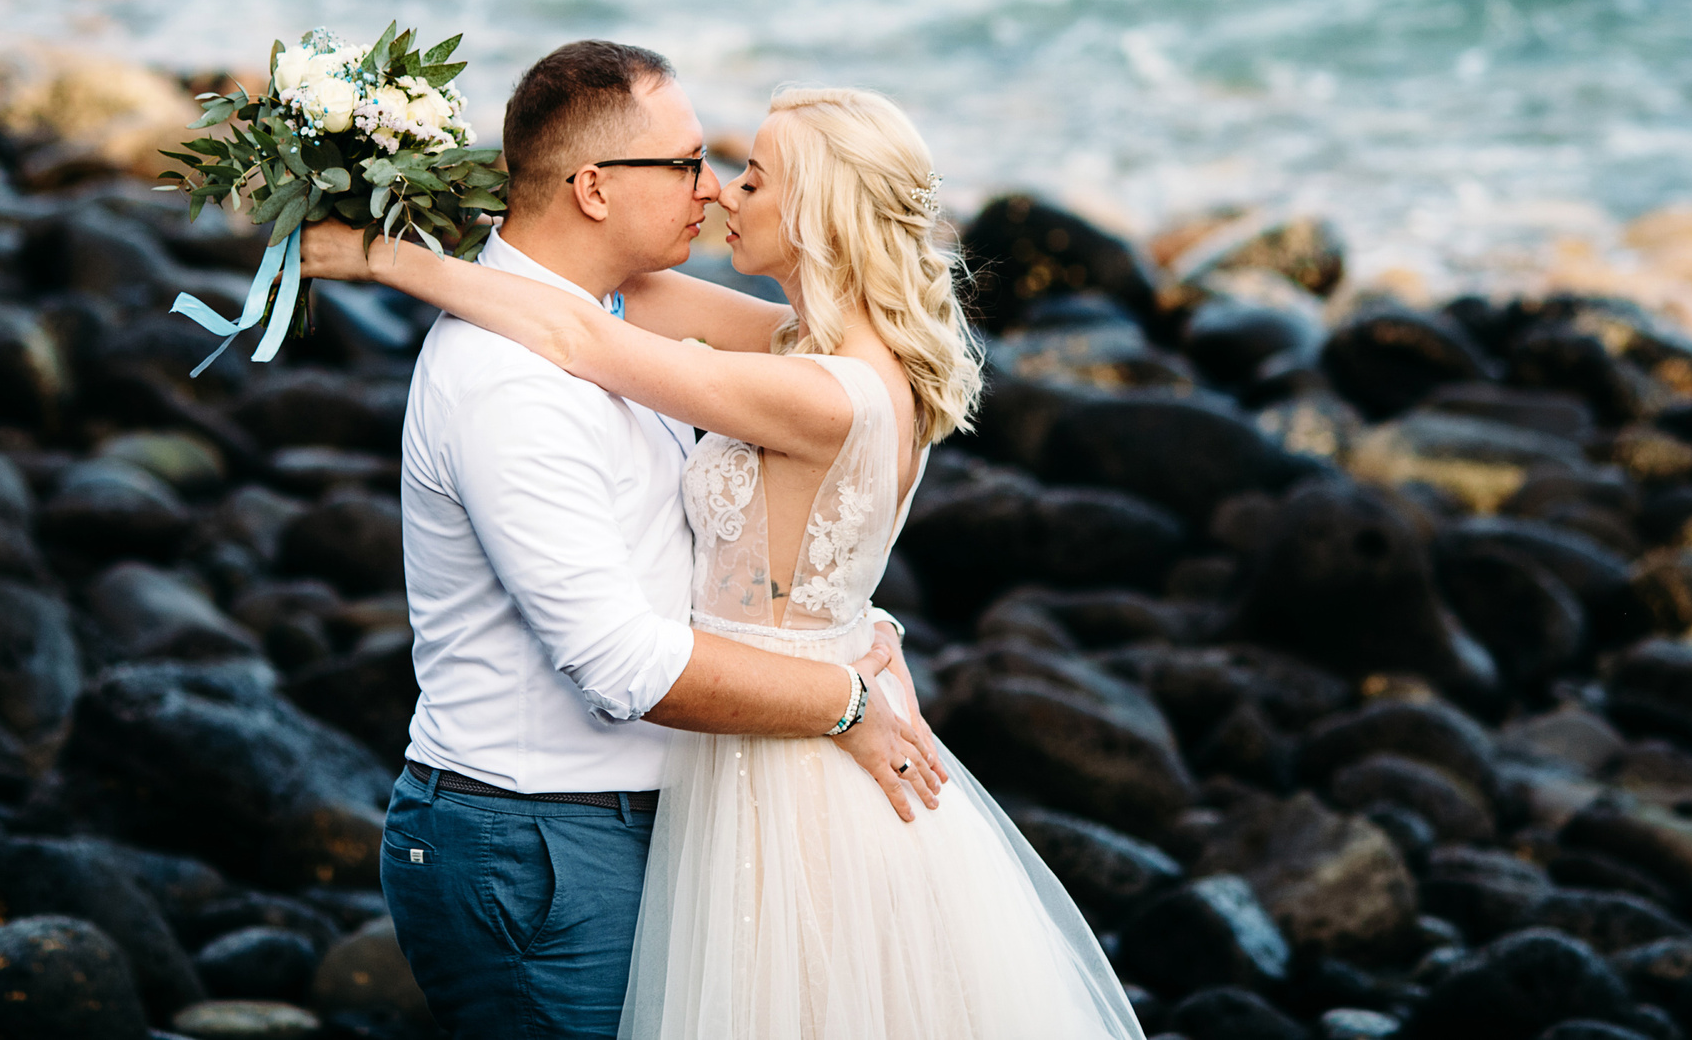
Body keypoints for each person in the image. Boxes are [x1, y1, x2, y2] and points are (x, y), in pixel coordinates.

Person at [304, 63, 1144, 1040]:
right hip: (642, 792)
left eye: (748, 176)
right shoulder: (801, 346)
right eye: (704, 165)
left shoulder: (822, 386)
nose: (720, 191)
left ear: (820, 215)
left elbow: (586, 339)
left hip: (770, 764)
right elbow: (604, 300)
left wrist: (391, 261)